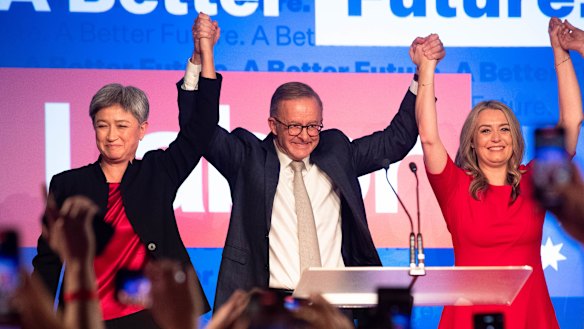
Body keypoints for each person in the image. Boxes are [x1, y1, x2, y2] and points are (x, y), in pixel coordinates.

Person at [184, 13, 445, 310]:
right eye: (294, 126)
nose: (305, 136)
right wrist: (201, 56)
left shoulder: (336, 152)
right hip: (272, 309)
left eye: (313, 126)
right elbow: (197, 129)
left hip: (333, 307)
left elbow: (395, 140)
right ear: (273, 125)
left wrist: (422, 73)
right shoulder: (248, 157)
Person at [31, 17, 221, 328]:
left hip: (152, 317)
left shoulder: (159, 172)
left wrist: (203, 55)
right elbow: (49, 260)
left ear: (142, 130)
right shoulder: (67, 184)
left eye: (122, 126)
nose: (111, 135)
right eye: (102, 126)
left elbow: (201, 126)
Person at [412, 17, 582, 329]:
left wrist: (561, 53)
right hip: (466, 316)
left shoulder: (536, 180)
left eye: (504, 129)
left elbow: (571, 122)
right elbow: (429, 137)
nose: (496, 138)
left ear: (515, 138)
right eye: (486, 131)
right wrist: (427, 67)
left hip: (531, 313)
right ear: (472, 143)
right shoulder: (453, 186)